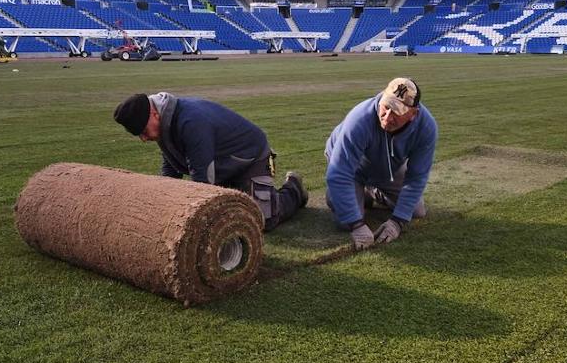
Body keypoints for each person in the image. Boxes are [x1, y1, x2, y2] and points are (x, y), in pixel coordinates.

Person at [113, 92, 306, 231]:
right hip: (222, 165)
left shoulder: (191, 121)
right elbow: (170, 169)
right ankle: (236, 188)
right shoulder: (163, 123)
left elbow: (202, 180)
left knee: (264, 219)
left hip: (250, 158)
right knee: (229, 215)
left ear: (154, 114)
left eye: (143, 132)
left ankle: (294, 188)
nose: (144, 139)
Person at [325, 77, 438, 250]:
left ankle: (373, 192)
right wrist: (356, 224)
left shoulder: (427, 127)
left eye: (396, 112)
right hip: (351, 168)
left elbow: (417, 177)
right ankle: (338, 195)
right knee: (344, 221)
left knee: (416, 211)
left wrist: (397, 222)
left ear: (413, 113)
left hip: (388, 167)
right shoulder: (359, 118)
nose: (387, 117)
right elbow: (339, 172)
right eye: (386, 107)